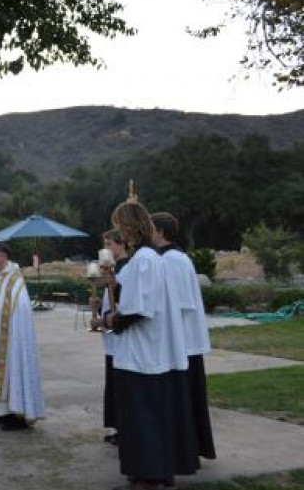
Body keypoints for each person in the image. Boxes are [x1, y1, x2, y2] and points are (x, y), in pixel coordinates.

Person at [105, 194, 198, 490]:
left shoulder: (144, 260)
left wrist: (108, 321)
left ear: (130, 228)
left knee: (142, 417)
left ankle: (151, 474)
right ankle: (154, 470)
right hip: (150, 351)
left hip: (142, 353)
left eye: (120, 227)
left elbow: (137, 311)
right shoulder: (149, 258)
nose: (119, 233)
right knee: (152, 415)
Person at [151, 211, 216, 461]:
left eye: (149, 228)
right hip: (181, 342)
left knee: (184, 401)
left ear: (160, 232)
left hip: (183, 342)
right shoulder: (170, 258)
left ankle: (184, 449)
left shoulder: (173, 260)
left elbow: (177, 303)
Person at [0, 242, 45, 431]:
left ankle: (17, 414)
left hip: (10, 339)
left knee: (11, 372)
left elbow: (20, 308)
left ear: (3, 256)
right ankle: (1, 412)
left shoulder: (15, 279)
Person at [88, 229, 129, 445]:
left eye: (109, 244)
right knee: (113, 385)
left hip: (121, 336)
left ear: (121, 245)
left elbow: (123, 301)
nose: (106, 250)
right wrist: (97, 305)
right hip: (111, 337)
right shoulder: (112, 269)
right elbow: (110, 299)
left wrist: (104, 319)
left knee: (121, 386)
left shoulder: (126, 268)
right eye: (104, 245)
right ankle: (119, 427)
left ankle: (126, 430)